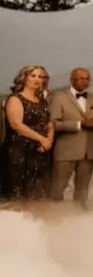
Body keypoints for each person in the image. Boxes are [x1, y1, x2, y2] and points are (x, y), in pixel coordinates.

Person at [48, 67, 93, 206]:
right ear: (72, 80)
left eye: (87, 79)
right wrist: (79, 124)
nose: (84, 81)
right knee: (58, 187)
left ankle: (79, 214)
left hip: (88, 151)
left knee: (83, 189)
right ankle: (53, 215)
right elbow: (53, 124)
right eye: (81, 78)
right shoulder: (59, 97)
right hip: (65, 151)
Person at [1, 66, 54, 201]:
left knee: (39, 191)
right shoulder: (15, 99)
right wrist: (41, 139)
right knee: (18, 190)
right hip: (19, 151)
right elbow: (16, 125)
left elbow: (49, 124)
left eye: (40, 77)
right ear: (24, 78)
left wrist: (48, 140)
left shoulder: (42, 101)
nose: (37, 79)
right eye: (33, 76)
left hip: (40, 152)